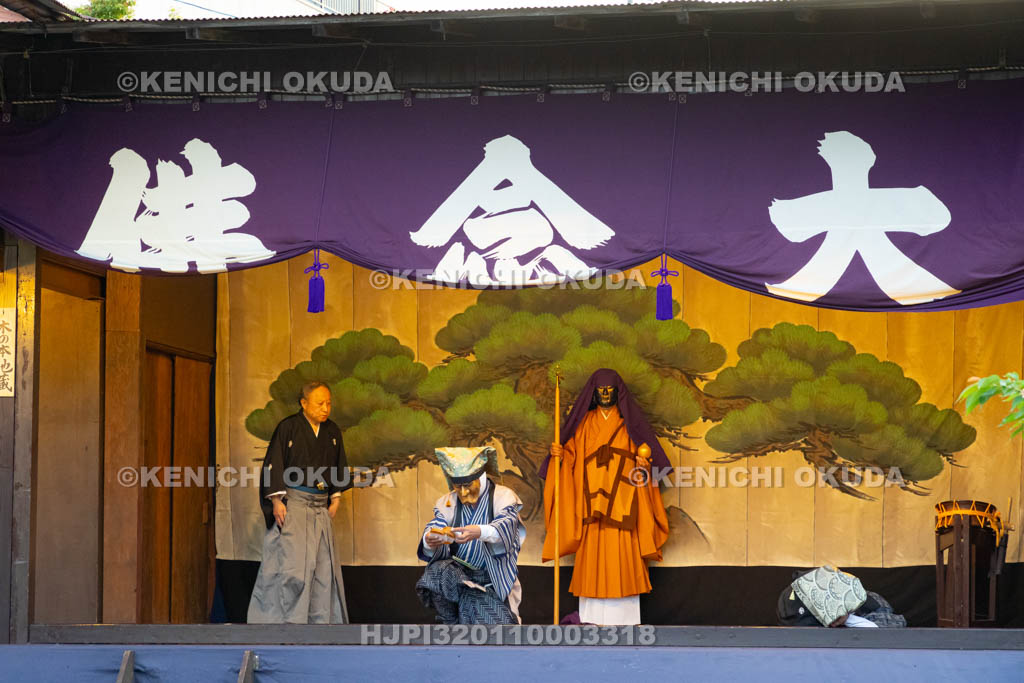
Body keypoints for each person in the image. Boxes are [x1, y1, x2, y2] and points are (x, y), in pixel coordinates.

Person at [540, 368, 670, 625]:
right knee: (593, 559)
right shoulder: (584, 424)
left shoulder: (629, 425)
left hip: (623, 502)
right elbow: (572, 459)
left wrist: (644, 467)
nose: (606, 394)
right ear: (593, 394)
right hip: (591, 504)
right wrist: (560, 455)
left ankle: (626, 618)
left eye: (610, 390)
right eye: (601, 391)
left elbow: (644, 460)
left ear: (619, 393)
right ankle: (591, 618)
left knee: (624, 558)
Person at [247, 380, 351, 624]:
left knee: (323, 570)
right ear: (303, 403)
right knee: (293, 568)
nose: (325, 408)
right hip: (293, 504)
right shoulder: (289, 428)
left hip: (320, 506)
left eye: (328, 403)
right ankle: (284, 623)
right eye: (319, 403)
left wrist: (335, 497)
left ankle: (322, 624)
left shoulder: (332, 432)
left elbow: (339, 465)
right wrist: (277, 501)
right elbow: (274, 463)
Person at [416, 446, 526, 624]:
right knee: (436, 572)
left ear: (480, 478)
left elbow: (507, 525)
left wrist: (479, 531)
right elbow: (438, 523)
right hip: (459, 576)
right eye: (457, 486)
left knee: (496, 632)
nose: (463, 492)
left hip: (490, 581)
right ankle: (450, 622)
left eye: (468, 485)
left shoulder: (503, 497)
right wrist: (430, 538)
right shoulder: (448, 501)